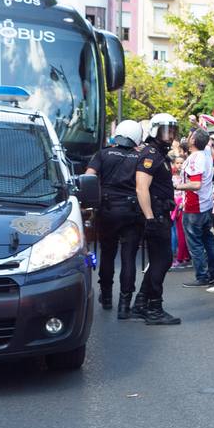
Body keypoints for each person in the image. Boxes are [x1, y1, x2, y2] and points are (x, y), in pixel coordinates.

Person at [86, 119, 145, 319]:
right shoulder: (139, 157)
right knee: (129, 257)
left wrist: (90, 205)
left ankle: (107, 296)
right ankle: (125, 304)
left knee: (107, 254)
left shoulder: (102, 154)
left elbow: (89, 178)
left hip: (107, 210)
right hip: (132, 211)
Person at [131, 114, 182, 326]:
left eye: (172, 130)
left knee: (160, 260)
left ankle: (141, 303)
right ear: (154, 130)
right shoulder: (150, 154)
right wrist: (150, 218)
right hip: (156, 215)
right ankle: (154, 308)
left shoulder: (159, 154)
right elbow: (141, 187)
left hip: (160, 212)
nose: (169, 135)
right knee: (162, 260)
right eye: (165, 130)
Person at [178, 130, 214, 287]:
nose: (188, 136)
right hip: (205, 205)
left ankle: (202, 276)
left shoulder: (197, 158)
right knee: (208, 241)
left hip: (195, 207)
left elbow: (196, 184)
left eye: (191, 135)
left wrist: (177, 185)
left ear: (194, 140)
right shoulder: (207, 152)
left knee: (195, 243)